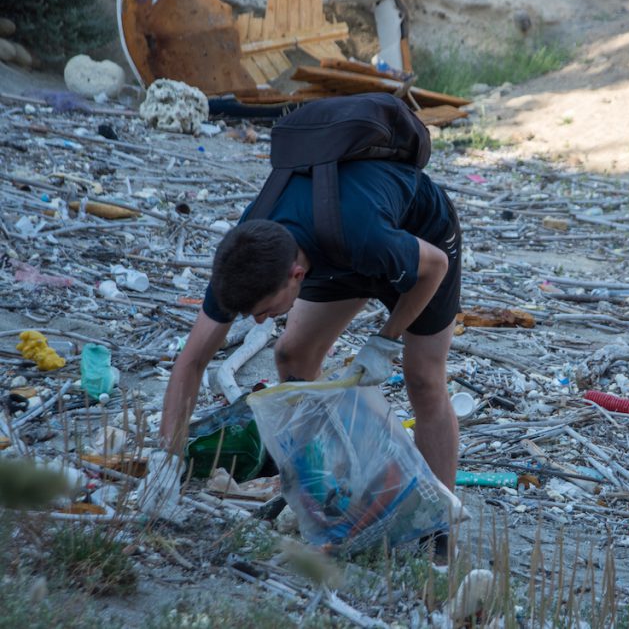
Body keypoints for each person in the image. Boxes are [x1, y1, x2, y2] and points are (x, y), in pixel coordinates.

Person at [136, 125, 462, 545]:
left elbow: (433, 266)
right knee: (292, 356)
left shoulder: (364, 234)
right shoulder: (246, 252)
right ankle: (320, 489)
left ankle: (438, 531)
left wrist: (385, 341)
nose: (259, 323)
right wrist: (167, 458)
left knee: (423, 376)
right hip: (340, 253)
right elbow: (193, 361)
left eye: (265, 310)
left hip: (423, 241)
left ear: (296, 276)